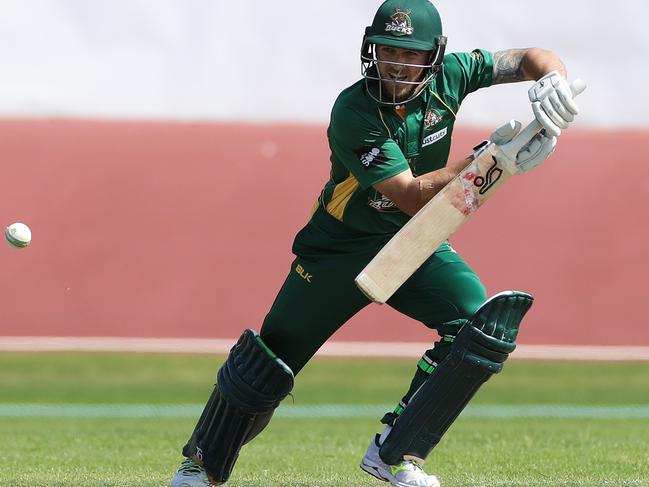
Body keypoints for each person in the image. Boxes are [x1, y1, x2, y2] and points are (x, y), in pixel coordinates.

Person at [170, 1, 580, 486]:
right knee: (269, 365)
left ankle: (395, 452)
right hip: (338, 250)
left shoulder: (454, 74)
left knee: (477, 328)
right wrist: (492, 161)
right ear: (372, 50)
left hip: (412, 244)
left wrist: (552, 79)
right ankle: (199, 465)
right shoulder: (353, 110)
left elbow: (533, 57)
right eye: (387, 51)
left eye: (409, 54)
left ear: (434, 54)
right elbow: (409, 195)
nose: (396, 64)